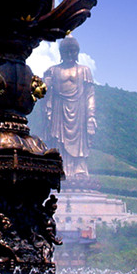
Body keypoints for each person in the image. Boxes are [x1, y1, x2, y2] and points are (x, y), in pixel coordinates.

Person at [43, 36, 96, 178]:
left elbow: (90, 95)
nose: (70, 54)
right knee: (58, 140)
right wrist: (45, 83)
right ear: (61, 53)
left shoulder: (84, 70)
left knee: (80, 142)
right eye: (66, 51)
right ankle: (61, 166)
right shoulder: (53, 70)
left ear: (77, 52)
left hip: (79, 110)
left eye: (73, 51)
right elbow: (44, 91)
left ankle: (79, 168)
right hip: (59, 108)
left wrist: (91, 116)